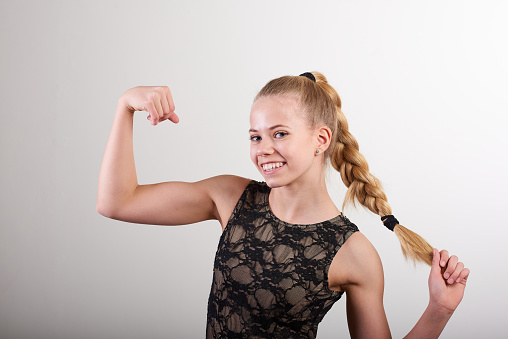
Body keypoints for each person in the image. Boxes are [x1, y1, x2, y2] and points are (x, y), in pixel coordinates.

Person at [97, 72, 469, 338]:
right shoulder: (230, 197)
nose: (264, 149)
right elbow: (117, 202)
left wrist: (440, 310)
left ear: (320, 138)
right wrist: (125, 106)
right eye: (255, 136)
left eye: (279, 134)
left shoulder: (354, 254)